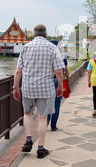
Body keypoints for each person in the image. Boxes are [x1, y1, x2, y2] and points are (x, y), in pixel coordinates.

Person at [12, 24, 64, 158]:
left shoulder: (26, 47)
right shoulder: (52, 48)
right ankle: (40, 148)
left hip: (28, 87)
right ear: (46, 35)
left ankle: (28, 139)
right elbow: (58, 71)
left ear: (33, 35)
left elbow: (18, 71)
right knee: (42, 117)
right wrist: (60, 87)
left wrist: (16, 87)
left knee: (28, 114)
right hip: (46, 88)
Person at [47, 40, 70, 131]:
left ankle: (46, 120)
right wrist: (67, 84)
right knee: (56, 103)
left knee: (48, 102)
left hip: (48, 80)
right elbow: (65, 71)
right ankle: (53, 126)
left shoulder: (46, 55)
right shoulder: (61, 56)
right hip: (58, 80)